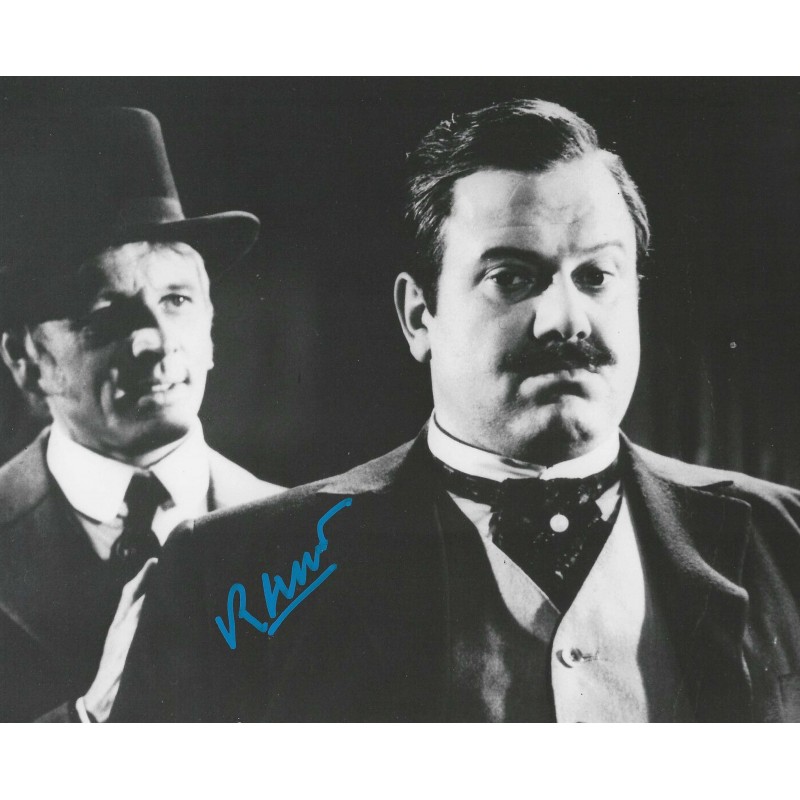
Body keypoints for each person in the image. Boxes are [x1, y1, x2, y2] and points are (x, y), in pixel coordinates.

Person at [112, 99, 800, 722]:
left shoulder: (785, 540)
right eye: (512, 278)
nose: (566, 319)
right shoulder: (227, 572)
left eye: (596, 276)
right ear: (420, 316)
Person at [0, 107, 283, 722]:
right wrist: (86, 721)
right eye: (105, 314)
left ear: (210, 328)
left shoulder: (306, 530)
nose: (154, 339)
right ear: (26, 359)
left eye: (176, 300)